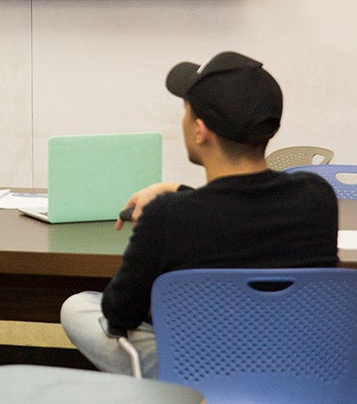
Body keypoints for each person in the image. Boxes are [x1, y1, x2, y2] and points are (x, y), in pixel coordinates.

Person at [59, 51, 339, 379]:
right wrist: (178, 189)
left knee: (78, 307)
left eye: (186, 112)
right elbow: (242, 213)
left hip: (202, 373)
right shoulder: (317, 197)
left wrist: (160, 303)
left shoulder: (169, 217)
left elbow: (119, 315)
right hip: (301, 372)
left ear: (200, 131)